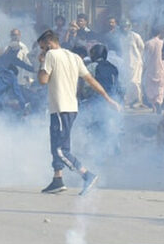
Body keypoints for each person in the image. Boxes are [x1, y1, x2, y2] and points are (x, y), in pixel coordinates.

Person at [36, 30, 121, 196]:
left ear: (49, 44)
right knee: (57, 144)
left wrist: (41, 62)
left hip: (61, 108)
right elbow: (90, 80)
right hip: (70, 108)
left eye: (42, 47)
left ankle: (87, 175)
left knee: (60, 149)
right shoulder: (74, 57)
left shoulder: (51, 55)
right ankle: (57, 179)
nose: (42, 51)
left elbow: (42, 80)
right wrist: (108, 99)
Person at [143, 27, 164, 113]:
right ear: (159, 33)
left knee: (150, 87)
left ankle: (154, 104)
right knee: (160, 87)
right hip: (161, 68)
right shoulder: (163, 43)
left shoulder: (148, 43)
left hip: (150, 68)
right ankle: (158, 102)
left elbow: (145, 57)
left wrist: (144, 67)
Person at [120, 20, 145, 108]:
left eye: (126, 27)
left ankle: (139, 101)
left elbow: (142, 48)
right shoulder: (121, 37)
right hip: (126, 63)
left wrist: (138, 59)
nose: (125, 28)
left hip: (136, 63)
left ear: (130, 27)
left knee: (135, 82)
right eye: (123, 27)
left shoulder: (135, 36)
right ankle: (129, 101)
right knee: (127, 83)